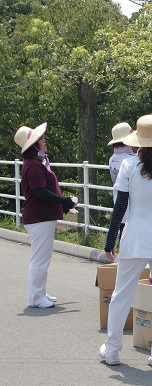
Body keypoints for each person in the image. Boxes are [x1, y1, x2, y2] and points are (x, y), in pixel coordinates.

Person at [99, 114, 152, 370]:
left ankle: (113, 349)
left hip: (136, 236)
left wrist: (109, 239)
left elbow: (120, 207)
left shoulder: (128, 167)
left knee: (122, 294)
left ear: (137, 142)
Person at [14, 122, 76, 309]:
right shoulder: (33, 165)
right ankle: (35, 298)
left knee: (42, 257)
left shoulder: (36, 163)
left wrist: (62, 203)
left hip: (40, 216)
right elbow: (39, 191)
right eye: (40, 139)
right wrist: (63, 200)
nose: (43, 141)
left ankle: (39, 292)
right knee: (40, 258)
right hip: (38, 217)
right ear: (34, 145)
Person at [107, 122, 136, 241]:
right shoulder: (131, 161)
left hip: (119, 204)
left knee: (123, 238)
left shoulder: (112, 159)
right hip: (132, 208)